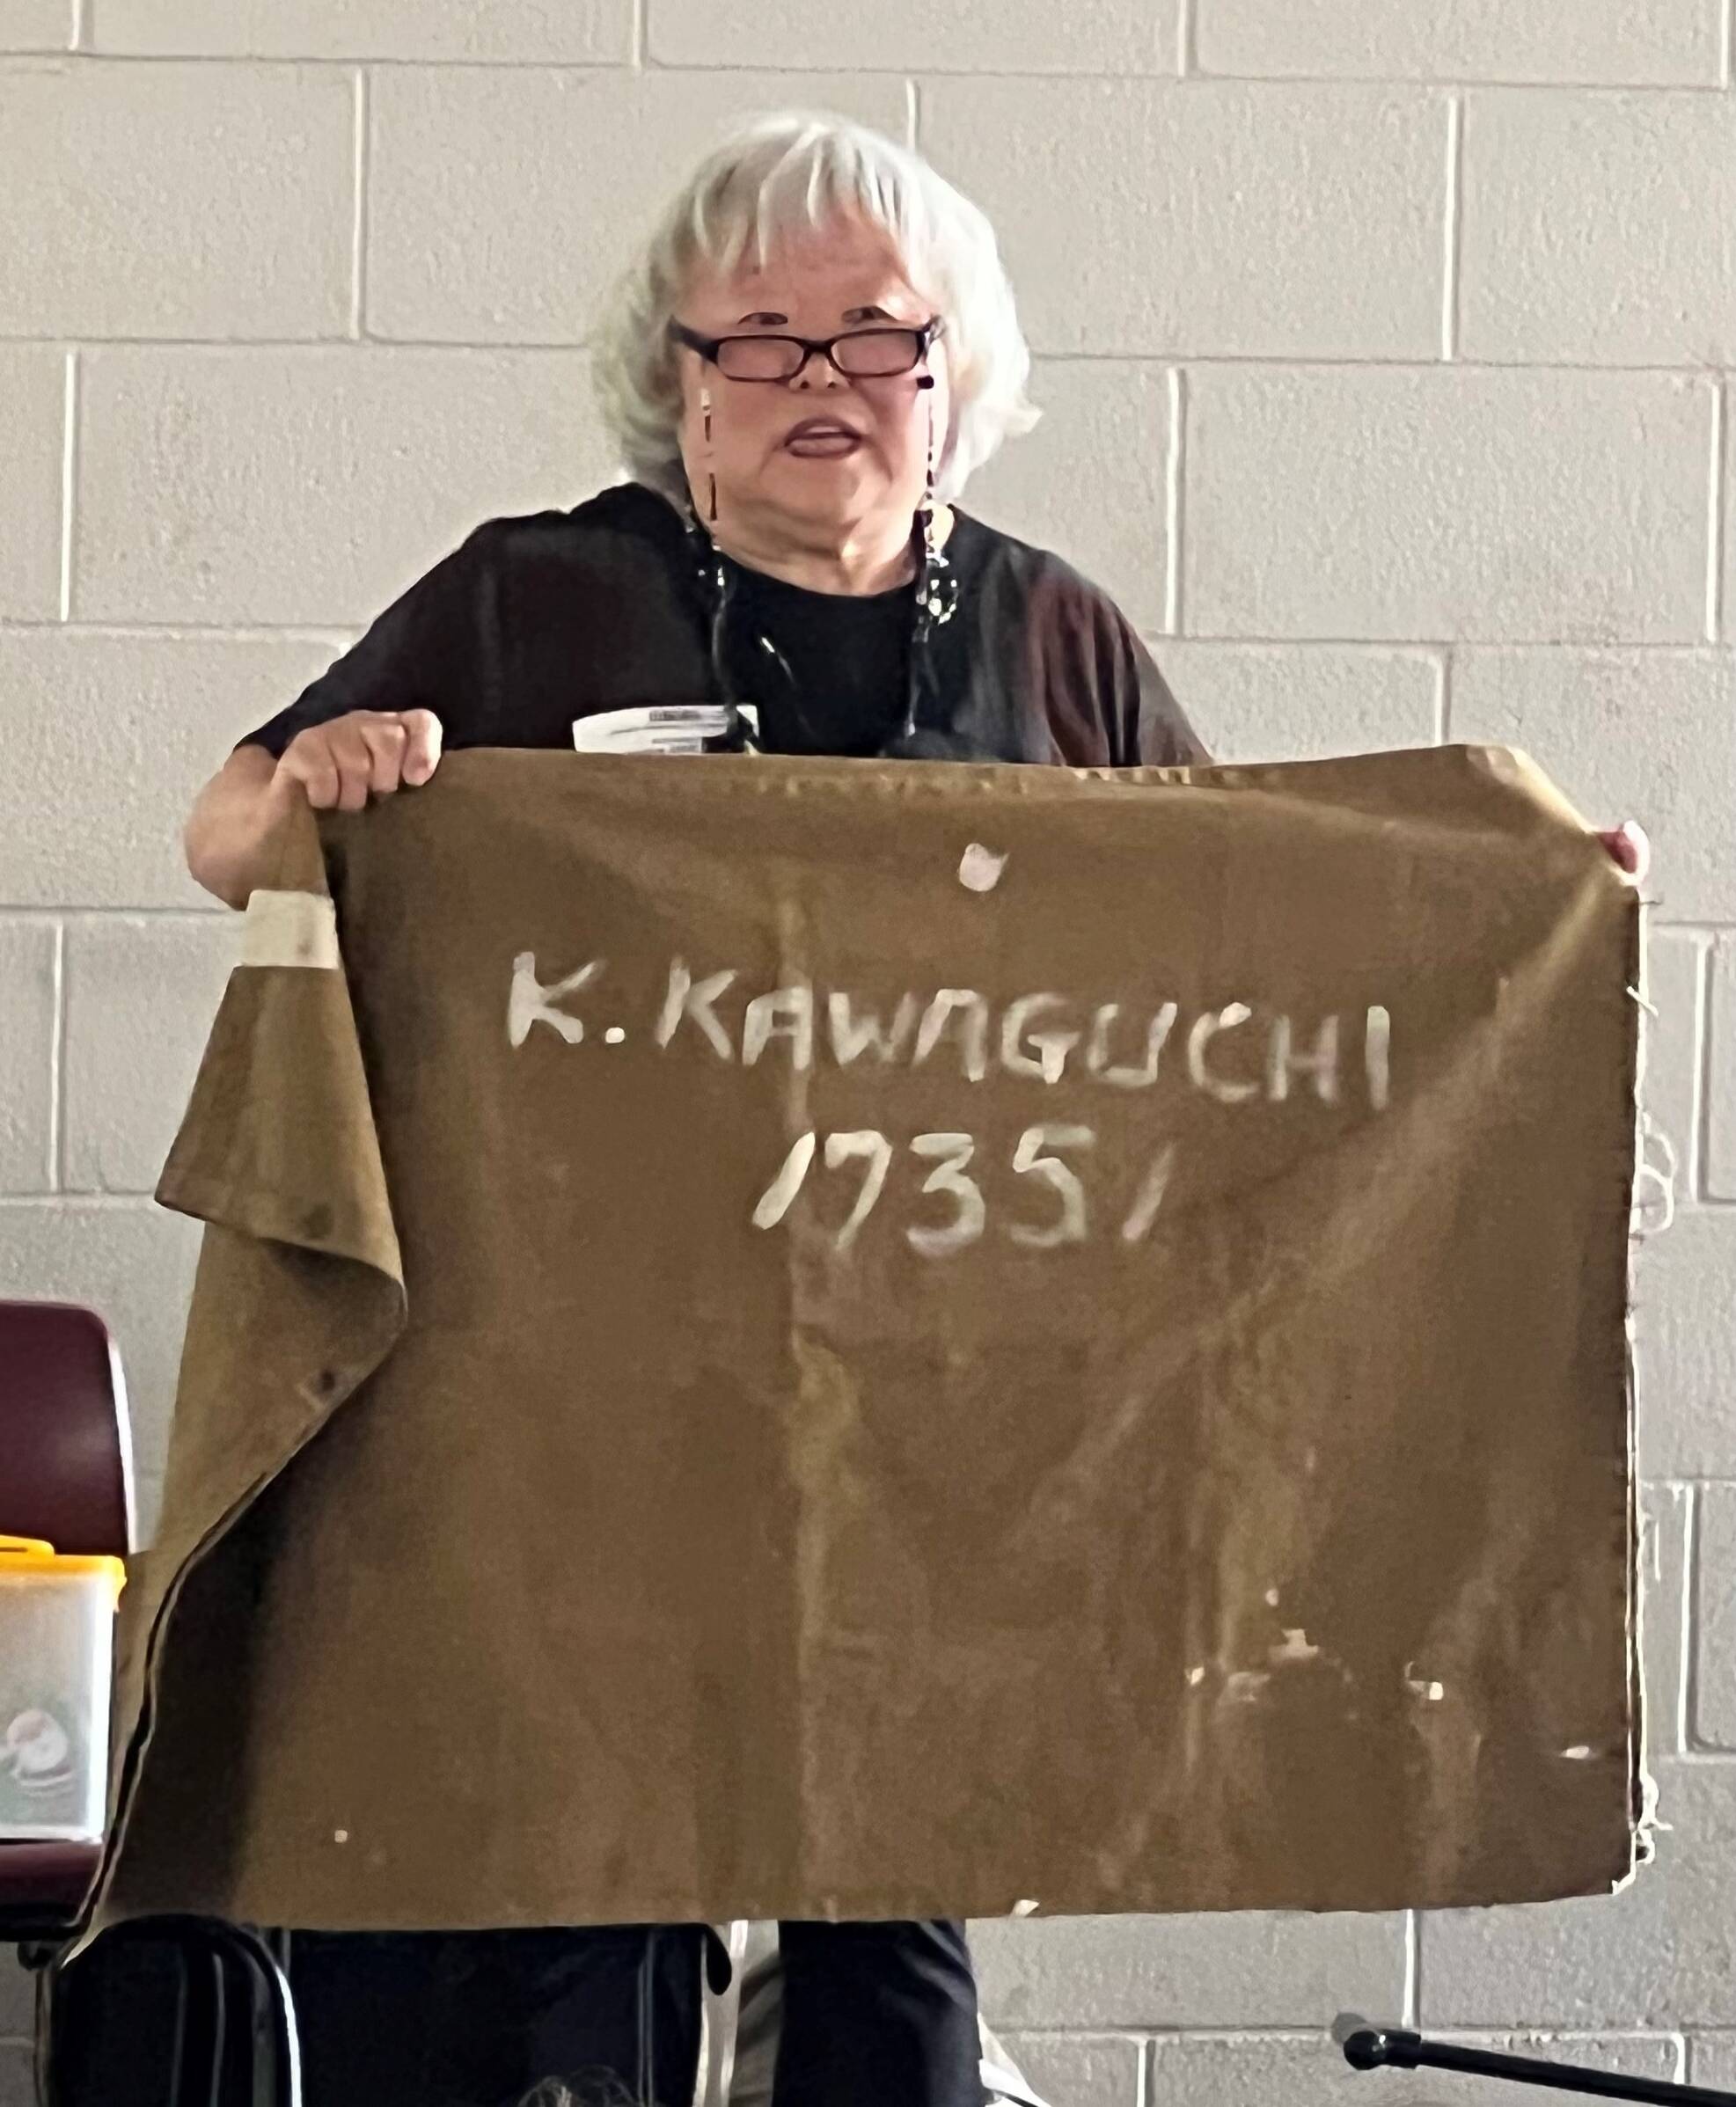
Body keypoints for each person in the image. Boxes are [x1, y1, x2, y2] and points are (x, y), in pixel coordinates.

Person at [179, 107, 1646, 2107]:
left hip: (953, 1401)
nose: (817, 380)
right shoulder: (530, 599)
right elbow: (226, 829)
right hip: (583, 1383)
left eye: (875, 335)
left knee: (900, 1891)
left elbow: (1257, 934)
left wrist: (1518, 911)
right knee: (575, 1893)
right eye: (754, 340)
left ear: (955, 378)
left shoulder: (1058, 636)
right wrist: (322, 776)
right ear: (674, 386)